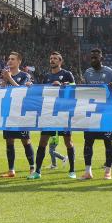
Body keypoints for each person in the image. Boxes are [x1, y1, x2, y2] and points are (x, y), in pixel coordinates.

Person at [28, 51, 76, 180]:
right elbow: (41, 91)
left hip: (63, 112)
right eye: (51, 58)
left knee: (68, 142)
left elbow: (75, 90)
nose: (52, 60)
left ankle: (72, 170)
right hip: (49, 113)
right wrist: (32, 87)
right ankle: (37, 172)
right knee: (42, 141)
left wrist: (64, 86)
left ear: (60, 61)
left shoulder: (67, 74)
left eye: (55, 58)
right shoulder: (46, 76)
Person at [80, 48, 112, 180]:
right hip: (91, 114)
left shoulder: (110, 72)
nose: (93, 60)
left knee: (108, 142)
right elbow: (83, 91)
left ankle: (108, 171)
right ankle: (88, 172)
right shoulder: (87, 73)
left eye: (96, 57)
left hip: (106, 114)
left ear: (101, 59)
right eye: (91, 57)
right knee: (88, 142)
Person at [0, 52, 36, 178]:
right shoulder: (5, 75)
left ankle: (32, 168)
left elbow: (22, 92)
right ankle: (11, 170)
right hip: (8, 113)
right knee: (9, 142)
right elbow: (1, 92)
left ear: (19, 61)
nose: (10, 61)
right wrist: (4, 80)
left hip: (21, 114)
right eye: (9, 59)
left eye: (13, 59)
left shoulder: (24, 75)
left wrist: (9, 78)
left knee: (26, 141)